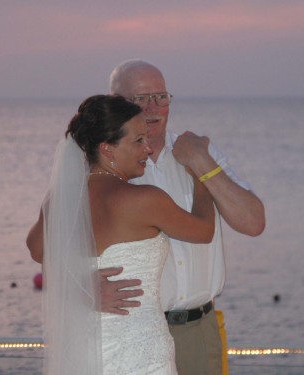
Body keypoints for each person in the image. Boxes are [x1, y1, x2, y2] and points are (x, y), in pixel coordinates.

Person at [27, 94, 216, 374]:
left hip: (85, 351)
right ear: (108, 149)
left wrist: (81, 287)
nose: (148, 149)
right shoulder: (145, 199)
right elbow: (204, 230)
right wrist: (202, 173)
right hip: (141, 350)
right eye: (138, 140)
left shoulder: (62, 199)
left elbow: (37, 250)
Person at [100, 59, 266, 375]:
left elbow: (253, 223)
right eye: (140, 99)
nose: (153, 108)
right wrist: (83, 286)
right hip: (133, 334)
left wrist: (203, 164)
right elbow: (54, 242)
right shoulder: (103, 164)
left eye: (161, 97)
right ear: (116, 104)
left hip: (199, 333)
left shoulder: (201, 153)